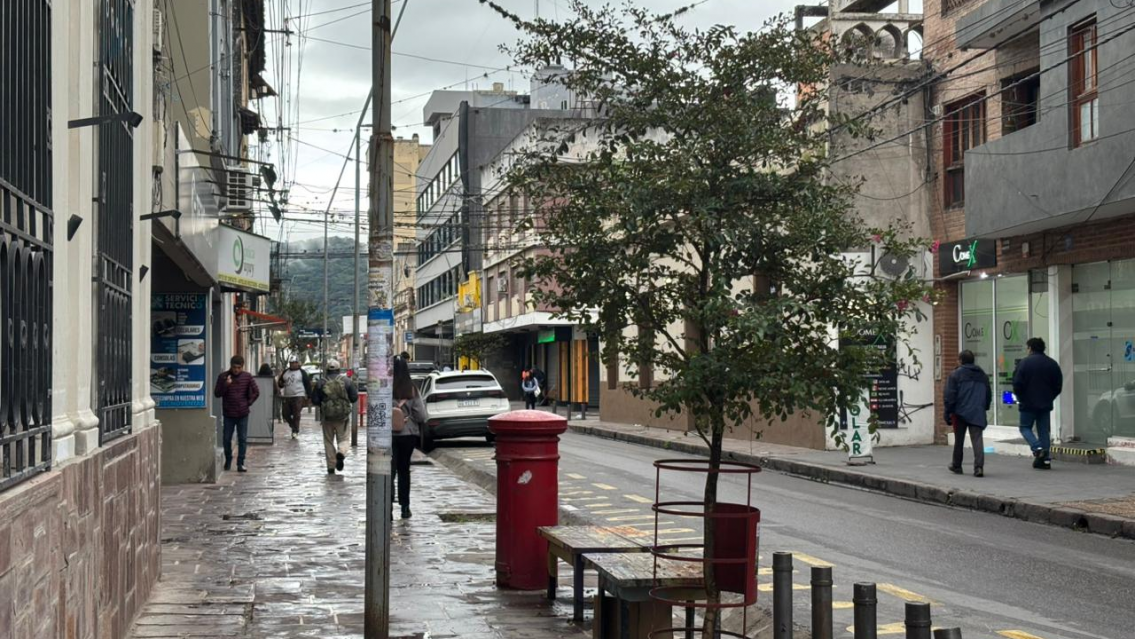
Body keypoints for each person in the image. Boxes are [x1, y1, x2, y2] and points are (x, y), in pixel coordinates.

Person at [1012, 337, 1064, 470]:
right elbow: (1058, 385)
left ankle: (1037, 448)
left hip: (1027, 404)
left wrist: (1021, 397)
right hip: (1045, 404)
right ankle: (1045, 460)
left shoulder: (1024, 363)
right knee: (1043, 431)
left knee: (1025, 427)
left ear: (1030, 348)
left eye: (1027, 348)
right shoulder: (1052, 363)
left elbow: (1017, 384)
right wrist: (1050, 397)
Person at [944, 350, 992, 477]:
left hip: (960, 412)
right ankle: (978, 467)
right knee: (977, 439)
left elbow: (950, 395)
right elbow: (988, 394)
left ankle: (957, 465)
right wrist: (985, 407)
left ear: (960, 360)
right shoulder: (982, 375)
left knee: (959, 439)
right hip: (977, 411)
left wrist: (948, 411)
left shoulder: (955, 375)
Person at [392, 357, 428, 519]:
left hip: (389, 436)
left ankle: (388, 506)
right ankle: (405, 507)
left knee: (389, 471)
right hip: (408, 435)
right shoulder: (412, 389)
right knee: (404, 470)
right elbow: (421, 415)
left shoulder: (385, 388)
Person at [214, 355, 260, 472]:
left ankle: (240, 463)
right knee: (226, 438)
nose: (236, 370)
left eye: (239, 368)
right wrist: (226, 385)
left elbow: (256, 392)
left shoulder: (247, 377)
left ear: (242, 367)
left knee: (242, 438)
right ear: (231, 366)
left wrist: (248, 403)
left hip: (243, 413)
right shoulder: (223, 376)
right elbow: (217, 393)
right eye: (234, 367)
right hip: (229, 413)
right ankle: (228, 459)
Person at [313, 359, 358, 475]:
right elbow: (354, 398)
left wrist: (324, 405)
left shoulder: (321, 382)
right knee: (344, 439)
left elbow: (315, 400)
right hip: (342, 417)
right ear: (339, 370)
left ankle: (331, 466)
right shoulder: (347, 381)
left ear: (326, 370)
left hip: (327, 417)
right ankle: (341, 452)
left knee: (328, 441)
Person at [277, 356, 312, 439]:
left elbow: (307, 384)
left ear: (298, 363)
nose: (293, 365)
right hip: (287, 396)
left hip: (298, 395)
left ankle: (295, 430)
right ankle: (293, 426)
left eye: (295, 363)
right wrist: (281, 383)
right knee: (285, 414)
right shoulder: (286, 372)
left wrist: (309, 396)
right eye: (291, 363)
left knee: (296, 413)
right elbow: (280, 383)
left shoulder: (302, 372)